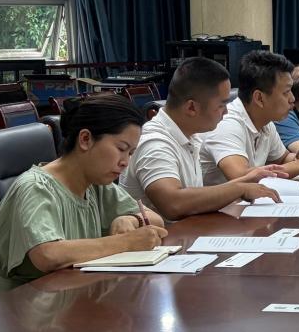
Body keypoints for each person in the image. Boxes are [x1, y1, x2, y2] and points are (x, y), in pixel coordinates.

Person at [0, 94, 169, 332]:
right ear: (85, 139)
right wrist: (124, 242)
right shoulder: (34, 187)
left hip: (58, 308)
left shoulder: (96, 185)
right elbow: (47, 254)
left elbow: (155, 219)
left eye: (131, 153)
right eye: (121, 149)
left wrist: (129, 218)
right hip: (8, 325)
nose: (125, 162)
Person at [121, 57, 284, 220]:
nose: (226, 112)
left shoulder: (190, 135)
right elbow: (173, 203)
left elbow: (193, 196)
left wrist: (242, 182)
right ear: (191, 107)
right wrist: (239, 189)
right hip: (162, 235)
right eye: (221, 105)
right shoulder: (155, 143)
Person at [200, 50, 299, 185]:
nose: (292, 99)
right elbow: (241, 177)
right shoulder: (227, 123)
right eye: (286, 92)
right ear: (259, 98)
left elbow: (282, 159)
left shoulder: (266, 123)